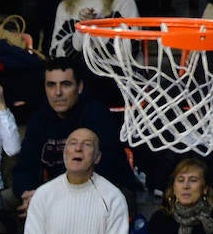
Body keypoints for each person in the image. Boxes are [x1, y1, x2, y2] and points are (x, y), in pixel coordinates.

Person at [12, 60, 138, 211]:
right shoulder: (39, 120)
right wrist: (28, 194)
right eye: (51, 85)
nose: (58, 92)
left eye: (66, 84)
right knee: (6, 203)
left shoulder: (97, 114)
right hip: (54, 193)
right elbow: (24, 167)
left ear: (80, 87)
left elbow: (105, 171)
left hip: (105, 191)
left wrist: (51, 197)